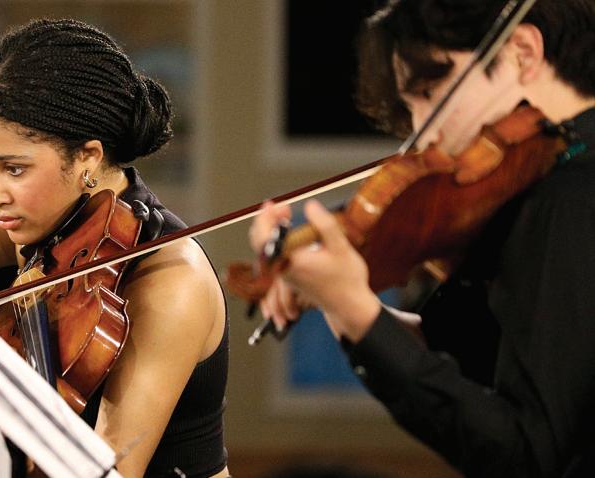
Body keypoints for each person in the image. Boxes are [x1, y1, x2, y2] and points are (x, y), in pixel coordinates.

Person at [249, 0, 595, 476]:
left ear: (522, 51)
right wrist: (341, 303)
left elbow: (527, 457)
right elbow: (476, 363)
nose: (422, 133)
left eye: (431, 93)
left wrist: (357, 311)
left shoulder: (569, 195)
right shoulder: (543, 185)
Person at [0, 19, 229, 478]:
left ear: (88, 157)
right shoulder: (24, 218)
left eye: (14, 169)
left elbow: (108, 471)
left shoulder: (170, 279)